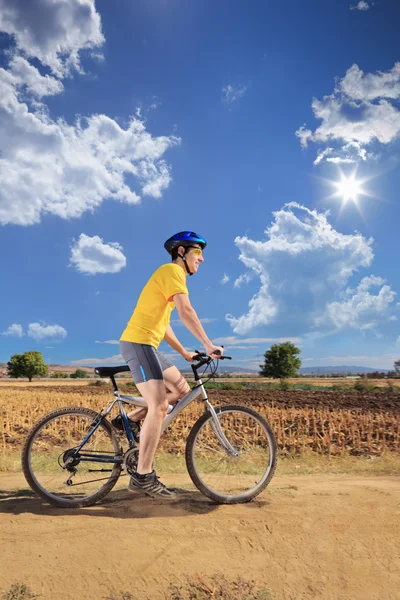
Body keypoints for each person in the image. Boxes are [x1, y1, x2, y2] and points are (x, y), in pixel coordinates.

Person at [116, 231, 224, 499]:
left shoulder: (169, 278)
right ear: (181, 252)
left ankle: (128, 421)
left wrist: (186, 353)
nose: (202, 258)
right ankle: (143, 476)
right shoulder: (172, 272)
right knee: (160, 405)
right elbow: (187, 312)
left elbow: (164, 328)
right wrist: (209, 344)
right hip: (138, 343)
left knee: (181, 389)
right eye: (197, 252)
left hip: (148, 344)